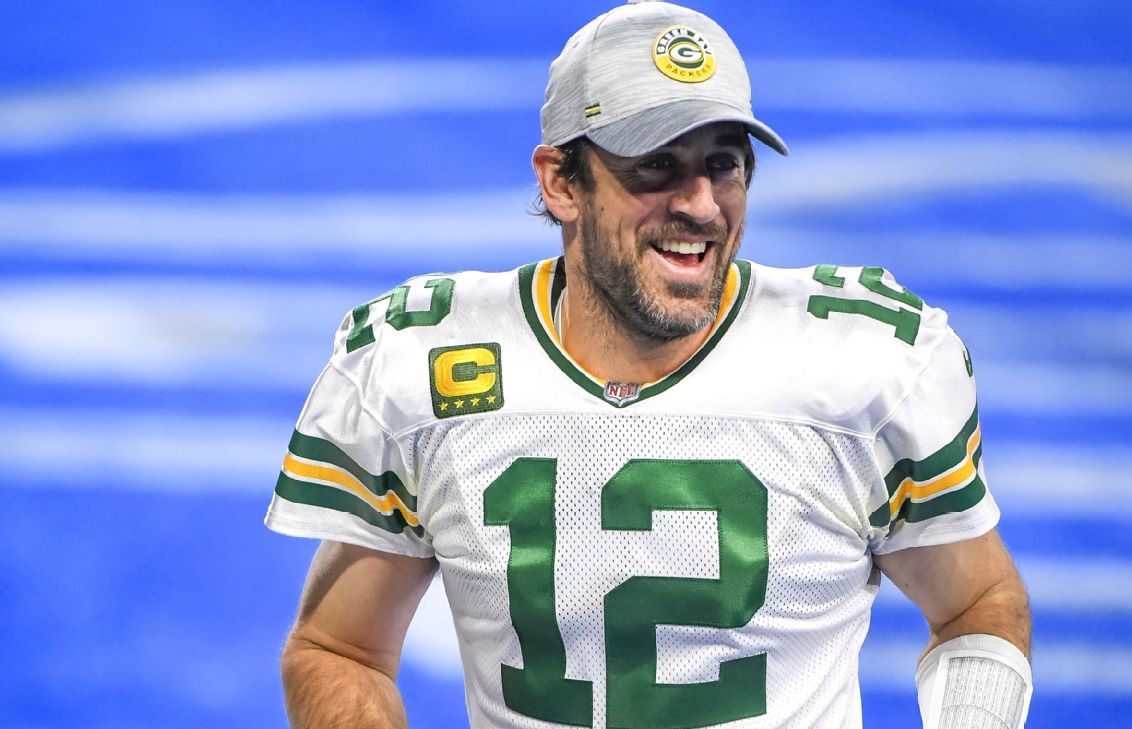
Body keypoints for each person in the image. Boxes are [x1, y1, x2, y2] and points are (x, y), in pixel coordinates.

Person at [265, 1, 1033, 727]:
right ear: (560, 182)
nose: (700, 204)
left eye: (723, 164)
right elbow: (339, 647)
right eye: (656, 166)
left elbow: (978, 604)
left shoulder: (860, 365)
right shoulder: (424, 365)